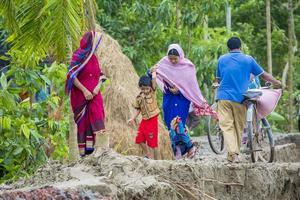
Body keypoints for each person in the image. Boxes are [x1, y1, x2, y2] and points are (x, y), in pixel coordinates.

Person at [215, 37, 281, 163]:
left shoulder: (221, 59)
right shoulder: (248, 59)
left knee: (226, 127)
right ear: (240, 47)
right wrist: (276, 82)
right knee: (238, 127)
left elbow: (218, 79)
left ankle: (232, 155)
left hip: (223, 97)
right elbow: (264, 75)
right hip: (240, 98)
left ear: (228, 48)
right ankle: (234, 153)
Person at [155, 44, 217, 158]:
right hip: (168, 98)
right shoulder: (163, 63)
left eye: (175, 58)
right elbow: (154, 73)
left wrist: (179, 90)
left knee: (179, 123)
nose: (173, 61)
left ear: (180, 56)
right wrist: (154, 74)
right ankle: (176, 149)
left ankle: (184, 148)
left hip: (182, 99)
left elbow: (190, 85)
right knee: (170, 124)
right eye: (171, 58)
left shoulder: (187, 66)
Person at [66, 31, 107, 157]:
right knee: (84, 124)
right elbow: (72, 75)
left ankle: (99, 151)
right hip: (81, 97)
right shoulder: (78, 56)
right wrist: (84, 90)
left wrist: (97, 87)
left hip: (95, 96)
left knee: (98, 119)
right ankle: (86, 154)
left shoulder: (94, 57)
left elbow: (100, 75)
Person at [128, 68, 160, 159]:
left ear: (150, 87)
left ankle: (155, 160)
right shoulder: (139, 97)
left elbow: (153, 82)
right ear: (140, 88)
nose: (145, 91)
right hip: (144, 120)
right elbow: (138, 109)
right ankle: (148, 155)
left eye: (147, 88)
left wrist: (154, 73)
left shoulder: (152, 92)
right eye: (143, 89)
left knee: (152, 142)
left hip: (152, 120)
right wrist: (133, 118)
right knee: (139, 139)